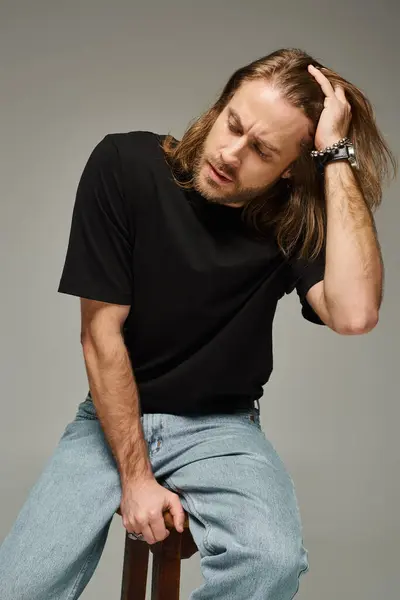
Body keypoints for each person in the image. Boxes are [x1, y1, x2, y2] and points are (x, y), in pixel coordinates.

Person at [0, 47, 396, 600]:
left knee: (271, 562)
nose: (231, 154)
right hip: (113, 416)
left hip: (223, 428)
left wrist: (334, 152)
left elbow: (355, 315)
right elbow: (100, 335)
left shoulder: (289, 219)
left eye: (261, 150)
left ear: (291, 167)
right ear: (220, 105)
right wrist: (136, 479)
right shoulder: (124, 166)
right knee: (21, 586)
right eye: (233, 124)